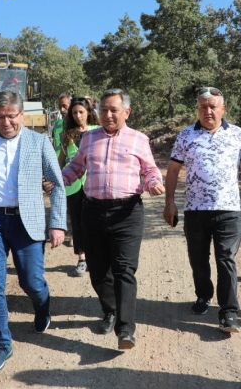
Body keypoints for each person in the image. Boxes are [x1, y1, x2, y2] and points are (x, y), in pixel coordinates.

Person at [0, 91, 66, 373]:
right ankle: (2, 344)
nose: (6, 122)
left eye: (11, 116)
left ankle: (43, 306)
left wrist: (57, 223)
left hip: (26, 221)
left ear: (22, 115)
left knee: (31, 282)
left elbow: (56, 184)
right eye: (0, 116)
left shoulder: (38, 142)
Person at [61, 88, 164, 350]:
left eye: (114, 110)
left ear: (126, 112)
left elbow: (150, 170)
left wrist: (153, 183)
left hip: (127, 213)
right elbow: (76, 167)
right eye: (104, 110)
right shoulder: (89, 138)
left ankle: (126, 329)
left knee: (124, 270)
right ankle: (110, 309)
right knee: (98, 272)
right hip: (92, 211)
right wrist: (58, 181)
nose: (107, 115)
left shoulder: (139, 139)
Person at [164, 87, 241, 333]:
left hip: (228, 210)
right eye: (203, 107)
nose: (208, 111)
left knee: (225, 258)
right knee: (198, 259)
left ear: (222, 108)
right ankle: (203, 295)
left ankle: (228, 312)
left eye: (213, 106)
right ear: (198, 109)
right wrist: (169, 202)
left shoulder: (237, 134)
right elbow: (173, 171)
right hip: (195, 210)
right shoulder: (186, 135)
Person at [58, 97, 100, 277]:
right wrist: (55, 177)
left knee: (96, 222)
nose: (77, 115)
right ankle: (82, 258)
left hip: (95, 184)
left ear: (89, 112)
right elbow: (62, 157)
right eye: (74, 112)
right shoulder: (66, 133)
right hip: (73, 185)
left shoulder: (98, 132)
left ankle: (97, 257)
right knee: (77, 222)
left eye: (81, 112)